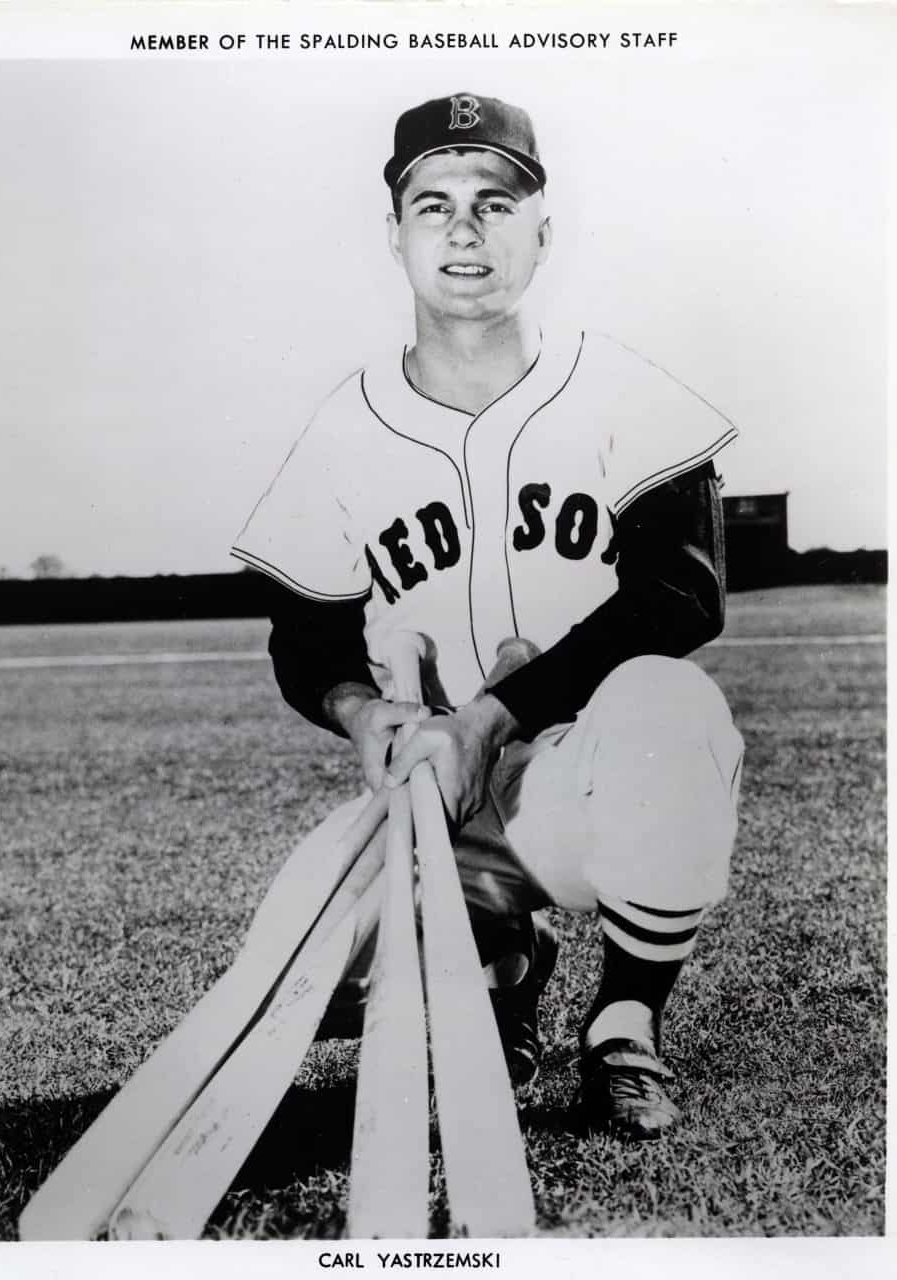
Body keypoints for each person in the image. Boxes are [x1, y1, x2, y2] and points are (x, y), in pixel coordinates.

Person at [231, 92, 744, 1139]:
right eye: (434, 204)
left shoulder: (620, 389)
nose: (464, 229)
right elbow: (306, 638)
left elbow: (679, 592)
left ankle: (624, 1020)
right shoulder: (343, 424)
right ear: (395, 235)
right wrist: (361, 712)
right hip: (432, 803)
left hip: (585, 782)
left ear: (541, 232)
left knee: (670, 700)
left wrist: (494, 714)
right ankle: (498, 964)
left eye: (495, 203)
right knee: (308, 974)